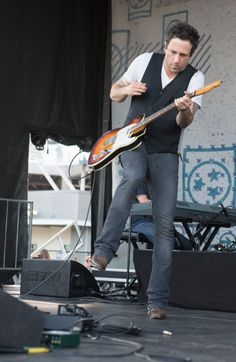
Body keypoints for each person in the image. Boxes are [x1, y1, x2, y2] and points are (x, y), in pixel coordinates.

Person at [91, 22, 204, 319]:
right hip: (132, 141)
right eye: (173, 52)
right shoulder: (144, 61)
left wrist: (184, 108)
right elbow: (114, 93)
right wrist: (128, 88)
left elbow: (184, 123)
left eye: (183, 55)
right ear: (165, 45)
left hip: (165, 152)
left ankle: (157, 301)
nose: (176, 59)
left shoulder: (196, 78)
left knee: (164, 226)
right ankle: (103, 250)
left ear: (191, 55)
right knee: (134, 176)